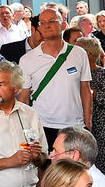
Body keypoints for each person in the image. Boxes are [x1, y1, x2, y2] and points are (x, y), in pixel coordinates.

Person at [19, 8, 92, 148]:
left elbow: (85, 89)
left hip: (75, 126)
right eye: (43, 22)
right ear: (38, 27)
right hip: (42, 126)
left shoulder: (79, 53)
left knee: (77, 167)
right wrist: (25, 129)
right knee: (47, 168)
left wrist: (88, 121)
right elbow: (23, 97)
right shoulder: (27, 59)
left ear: (63, 24)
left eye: (52, 21)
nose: (47, 26)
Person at [74, 37, 105, 173]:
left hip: (102, 129)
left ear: (86, 53)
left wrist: (89, 91)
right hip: (79, 126)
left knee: (104, 168)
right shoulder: (73, 74)